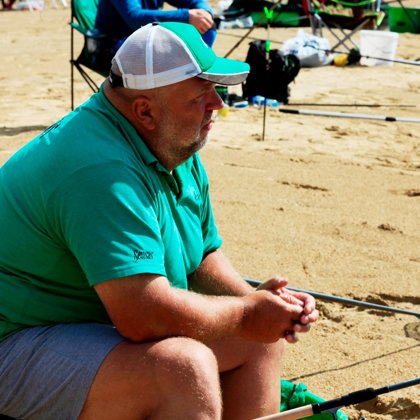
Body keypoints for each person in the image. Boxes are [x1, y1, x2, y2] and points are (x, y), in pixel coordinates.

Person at [0, 22, 319, 419]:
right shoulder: (100, 170)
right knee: (182, 369)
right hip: (14, 338)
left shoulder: (169, 140)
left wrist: (256, 301)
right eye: (201, 95)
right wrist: (246, 314)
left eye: (216, 89)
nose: (218, 104)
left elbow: (201, 254)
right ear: (145, 111)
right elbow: (142, 315)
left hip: (84, 326)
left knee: (258, 340)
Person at [92, 0, 217, 72]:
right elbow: (134, 17)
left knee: (208, 27)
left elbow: (194, 1)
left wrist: (204, 12)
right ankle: (193, 76)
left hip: (145, 44)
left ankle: (196, 73)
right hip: (112, 50)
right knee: (181, 66)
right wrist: (187, 16)